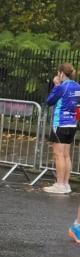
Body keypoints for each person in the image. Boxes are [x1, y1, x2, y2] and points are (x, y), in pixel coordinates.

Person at [43, 63, 80, 194]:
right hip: (72, 124)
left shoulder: (62, 87)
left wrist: (56, 85)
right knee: (66, 155)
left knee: (58, 154)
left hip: (60, 124)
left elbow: (50, 101)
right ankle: (66, 184)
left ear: (61, 73)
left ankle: (59, 184)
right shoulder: (77, 86)